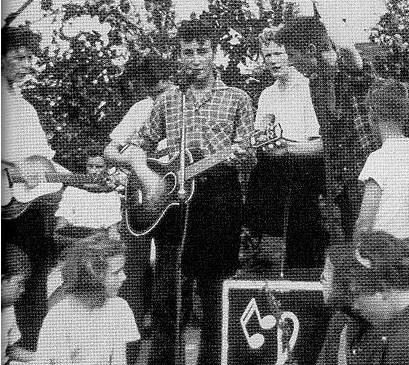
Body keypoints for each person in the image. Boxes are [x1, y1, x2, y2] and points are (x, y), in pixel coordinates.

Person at [117, 19, 255, 365]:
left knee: (214, 296)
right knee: (168, 292)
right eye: (187, 52)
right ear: (180, 56)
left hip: (220, 198)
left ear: (214, 54)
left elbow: (249, 153)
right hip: (172, 202)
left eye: (201, 51)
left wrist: (244, 153)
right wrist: (145, 175)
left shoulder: (238, 99)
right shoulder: (168, 100)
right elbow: (136, 146)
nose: (194, 59)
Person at [104, 54, 175, 332]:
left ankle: (163, 347)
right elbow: (109, 151)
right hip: (140, 202)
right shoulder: (141, 109)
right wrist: (134, 161)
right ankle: (127, 350)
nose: (159, 97)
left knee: (168, 281)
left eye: (164, 89)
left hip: (175, 202)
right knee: (131, 274)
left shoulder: (185, 107)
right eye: (154, 92)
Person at [247, 27, 327, 268]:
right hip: (272, 174)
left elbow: (322, 145)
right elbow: (259, 139)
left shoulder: (308, 87)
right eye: (267, 55)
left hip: (307, 172)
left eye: (278, 54)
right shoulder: (266, 95)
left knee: (301, 242)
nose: (272, 60)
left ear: (290, 54)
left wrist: (288, 149)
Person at [1, 25, 59, 350]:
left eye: (29, 57)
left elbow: (45, 161)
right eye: (17, 57)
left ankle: (28, 347)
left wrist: (87, 181)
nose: (25, 64)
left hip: (27, 207)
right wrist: (12, 163)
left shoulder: (25, 108)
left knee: (32, 277)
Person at [34, 233, 140, 365]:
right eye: (116, 272)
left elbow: (119, 360)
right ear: (93, 277)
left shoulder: (120, 308)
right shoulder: (59, 317)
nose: (124, 277)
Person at [318, 231, 409, 365]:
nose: (354, 306)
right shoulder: (388, 328)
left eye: (356, 294)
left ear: (383, 289)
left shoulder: (405, 344)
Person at [354, 79, 409, 240]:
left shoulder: (377, 159)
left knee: (334, 259)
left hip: (385, 253)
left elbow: (364, 222)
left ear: (372, 116)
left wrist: (357, 248)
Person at [1, 245, 35, 364]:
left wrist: (39, 357)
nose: (23, 290)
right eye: (20, 284)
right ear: (3, 280)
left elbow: (8, 350)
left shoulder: (8, 309)